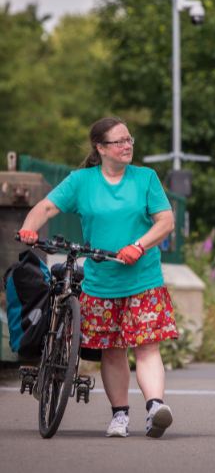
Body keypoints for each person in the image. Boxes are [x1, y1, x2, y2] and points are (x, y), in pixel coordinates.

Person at [18, 117, 177, 439]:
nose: (128, 145)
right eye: (119, 141)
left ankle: (155, 408)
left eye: (130, 139)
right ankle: (120, 417)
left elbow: (165, 221)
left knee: (147, 348)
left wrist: (138, 245)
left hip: (143, 279)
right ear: (101, 148)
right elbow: (46, 208)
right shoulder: (81, 181)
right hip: (100, 282)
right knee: (113, 350)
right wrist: (29, 227)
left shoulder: (145, 178)